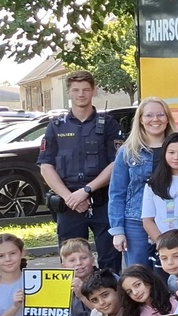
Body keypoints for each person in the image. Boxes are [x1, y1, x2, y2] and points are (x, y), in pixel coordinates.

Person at [38, 70, 123, 272]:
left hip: (103, 202)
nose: (81, 94)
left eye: (86, 89)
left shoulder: (109, 125)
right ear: (69, 92)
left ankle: (110, 301)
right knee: (72, 263)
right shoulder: (56, 127)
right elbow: (46, 166)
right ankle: (76, 301)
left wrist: (86, 190)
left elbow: (117, 164)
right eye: (76, 90)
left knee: (110, 261)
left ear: (94, 91)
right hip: (69, 206)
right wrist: (70, 197)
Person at [109, 97, 175, 268]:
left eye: (160, 114)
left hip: (170, 220)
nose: (155, 119)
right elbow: (117, 192)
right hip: (135, 223)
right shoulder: (127, 151)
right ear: (140, 119)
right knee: (139, 277)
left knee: (169, 277)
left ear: (167, 118)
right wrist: (117, 230)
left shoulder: (177, 148)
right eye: (149, 115)